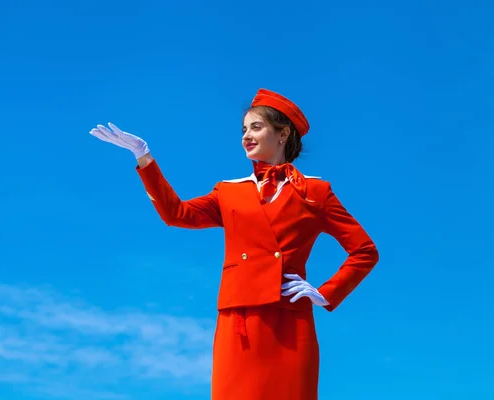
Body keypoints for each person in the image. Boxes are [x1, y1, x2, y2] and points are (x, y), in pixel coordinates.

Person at [89, 88, 379, 400]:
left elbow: (364, 251)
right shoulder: (229, 192)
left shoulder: (316, 191)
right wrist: (143, 156)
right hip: (239, 321)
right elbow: (176, 214)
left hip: (290, 320)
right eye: (243, 130)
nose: (246, 137)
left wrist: (324, 292)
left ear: (282, 135)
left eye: (256, 127)